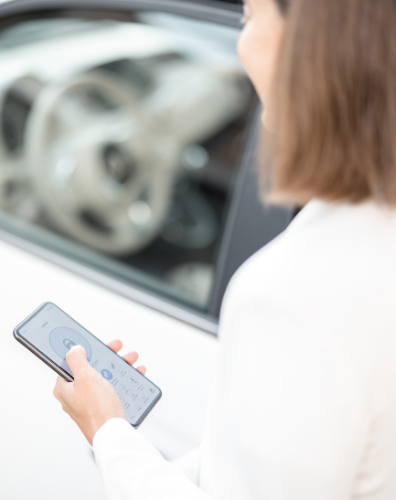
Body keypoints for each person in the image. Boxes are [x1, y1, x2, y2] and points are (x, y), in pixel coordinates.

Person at [53, 0, 396, 498]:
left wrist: (106, 428)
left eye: (249, 16)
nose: (240, 42)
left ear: (306, 48)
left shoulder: (289, 300)